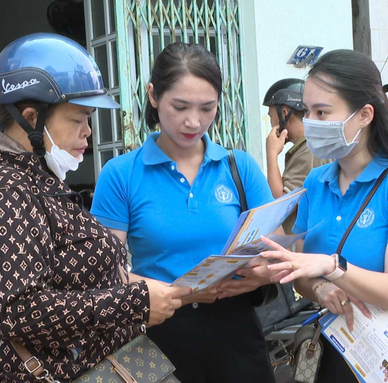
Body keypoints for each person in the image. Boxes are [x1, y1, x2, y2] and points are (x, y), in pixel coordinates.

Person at [0, 33, 189, 382]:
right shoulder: (2, 191)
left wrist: (156, 289)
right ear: (32, 118)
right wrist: (134, 301)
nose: (88, 133)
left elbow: (71, 277)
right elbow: (20, 310)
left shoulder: (35, 177)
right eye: (78, 119)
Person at [258, 49, 388, 383]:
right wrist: (319, 289)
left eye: (323, 111)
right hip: (339, 348)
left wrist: (333, 268)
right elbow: (303, 269)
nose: (313, 122)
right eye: (309, 111)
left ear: (364, 115)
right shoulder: (317, 182)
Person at [90, 42, 277, 383]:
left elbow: (274, 248)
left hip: (237, 332)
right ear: (153, 96)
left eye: (208, 108)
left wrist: (263, 272)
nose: (194, 121)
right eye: (180, 106)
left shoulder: (239, 167)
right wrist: (183, 291)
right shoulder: (121, 174)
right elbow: (105, 274)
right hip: (158, 331)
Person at [263, 78, 331, 233]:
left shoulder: (308, 152)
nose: (272, 121)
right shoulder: (310, 147)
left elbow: (281, 202)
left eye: (271, 115)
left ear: (284, 113)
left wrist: (271, 155)